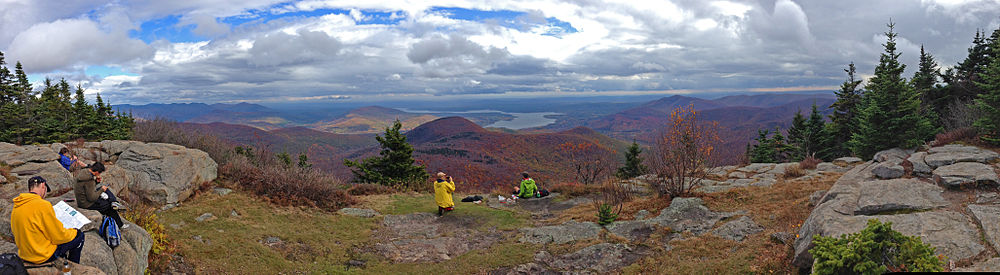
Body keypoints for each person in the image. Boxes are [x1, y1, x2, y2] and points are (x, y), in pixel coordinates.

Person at [11, 176, 85, 264]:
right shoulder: (43, 205)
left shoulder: (17, 206)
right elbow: (58, 236)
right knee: (80, 236)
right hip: (41, 255)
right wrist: (74, 232)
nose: (45, 194)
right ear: (43, 186)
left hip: (25, 254)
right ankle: (73, 267)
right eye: (46, 190)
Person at [73, 162, 127, 230]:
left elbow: (86, 188)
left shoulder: (84, 172)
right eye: (99, 173)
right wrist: (101, 190)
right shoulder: (89, 181)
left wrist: (96, 182)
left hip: (81, 200)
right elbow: (92, 198)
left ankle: (114, 202)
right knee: (108, 205)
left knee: (105, 190)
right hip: (86, 204)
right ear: (97, 172)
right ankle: (120, 224)